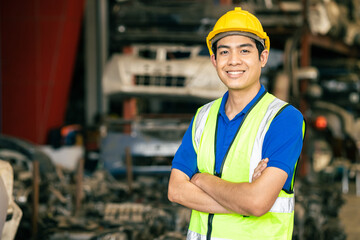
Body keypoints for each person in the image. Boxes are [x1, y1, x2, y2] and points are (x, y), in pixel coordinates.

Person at [167, 7, 306, 240]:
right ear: (214, 59)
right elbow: (176, 190)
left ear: (263, 57)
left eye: (244, 50)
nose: (233, 61)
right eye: (224, 52)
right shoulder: (203, 116)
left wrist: (201, 179)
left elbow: (257, 202)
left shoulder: (284, 119)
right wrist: (242, 201)